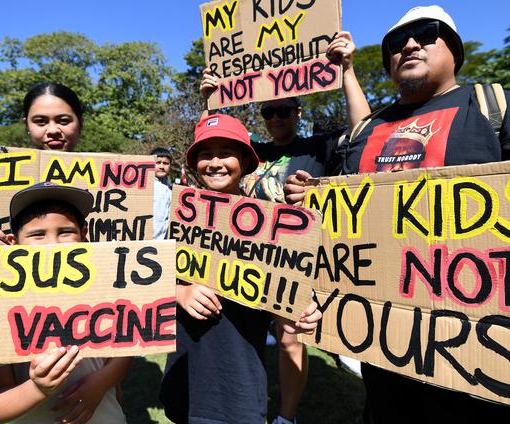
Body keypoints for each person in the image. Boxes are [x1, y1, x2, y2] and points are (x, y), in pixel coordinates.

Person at [285, 5, 510, 424]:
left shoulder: (496, 108)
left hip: (480, 357)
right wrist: (307, 198)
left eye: (427, 34)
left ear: (455, 49)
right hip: (384, 351)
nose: (409, 45)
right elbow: (337, 223)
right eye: (395, 43)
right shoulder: (365, 131)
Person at [200, 31, 370, 423]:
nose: (276, 118)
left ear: (298, 113)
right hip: (244, 257)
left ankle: (286, 416)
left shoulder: (318, 148)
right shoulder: (251, 153)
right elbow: (213, 146)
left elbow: (364, 132)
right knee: (240, 335)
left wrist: (346, 69)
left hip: (293, 258)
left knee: (290, 339)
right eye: (268, 113)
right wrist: (210, 97)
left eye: (284, 111)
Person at [160, 113, 322, 424]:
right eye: (206, 154)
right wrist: (180, 292)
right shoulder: (180, 221)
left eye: (226, 153)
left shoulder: (270, 227)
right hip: (184, 378)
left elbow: (285, 300)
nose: (215, 162)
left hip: (237, 385)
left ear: (245, 162)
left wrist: (301, 310)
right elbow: (151, 283)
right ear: (195, 165)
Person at [0, 182, 131, 423]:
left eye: (66, 231)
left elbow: (125, 351)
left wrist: (101, 384)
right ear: (13, 243)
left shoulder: (106, 289)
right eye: (37, 235)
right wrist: (37, 388)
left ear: (84, 235)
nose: (53, 245)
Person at [0, 82, 83, 246]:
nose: (53, 130)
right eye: (40, 121)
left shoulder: (112, 173)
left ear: (80, 123)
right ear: (27, 125)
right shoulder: (5, 172)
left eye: (64, 121)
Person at [150, 147, 173, 240]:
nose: (161, 167)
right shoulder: (146, 185)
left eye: (165, 163)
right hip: (148, 238)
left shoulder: (169, 187)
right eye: (158, 162)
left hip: (163, 240)